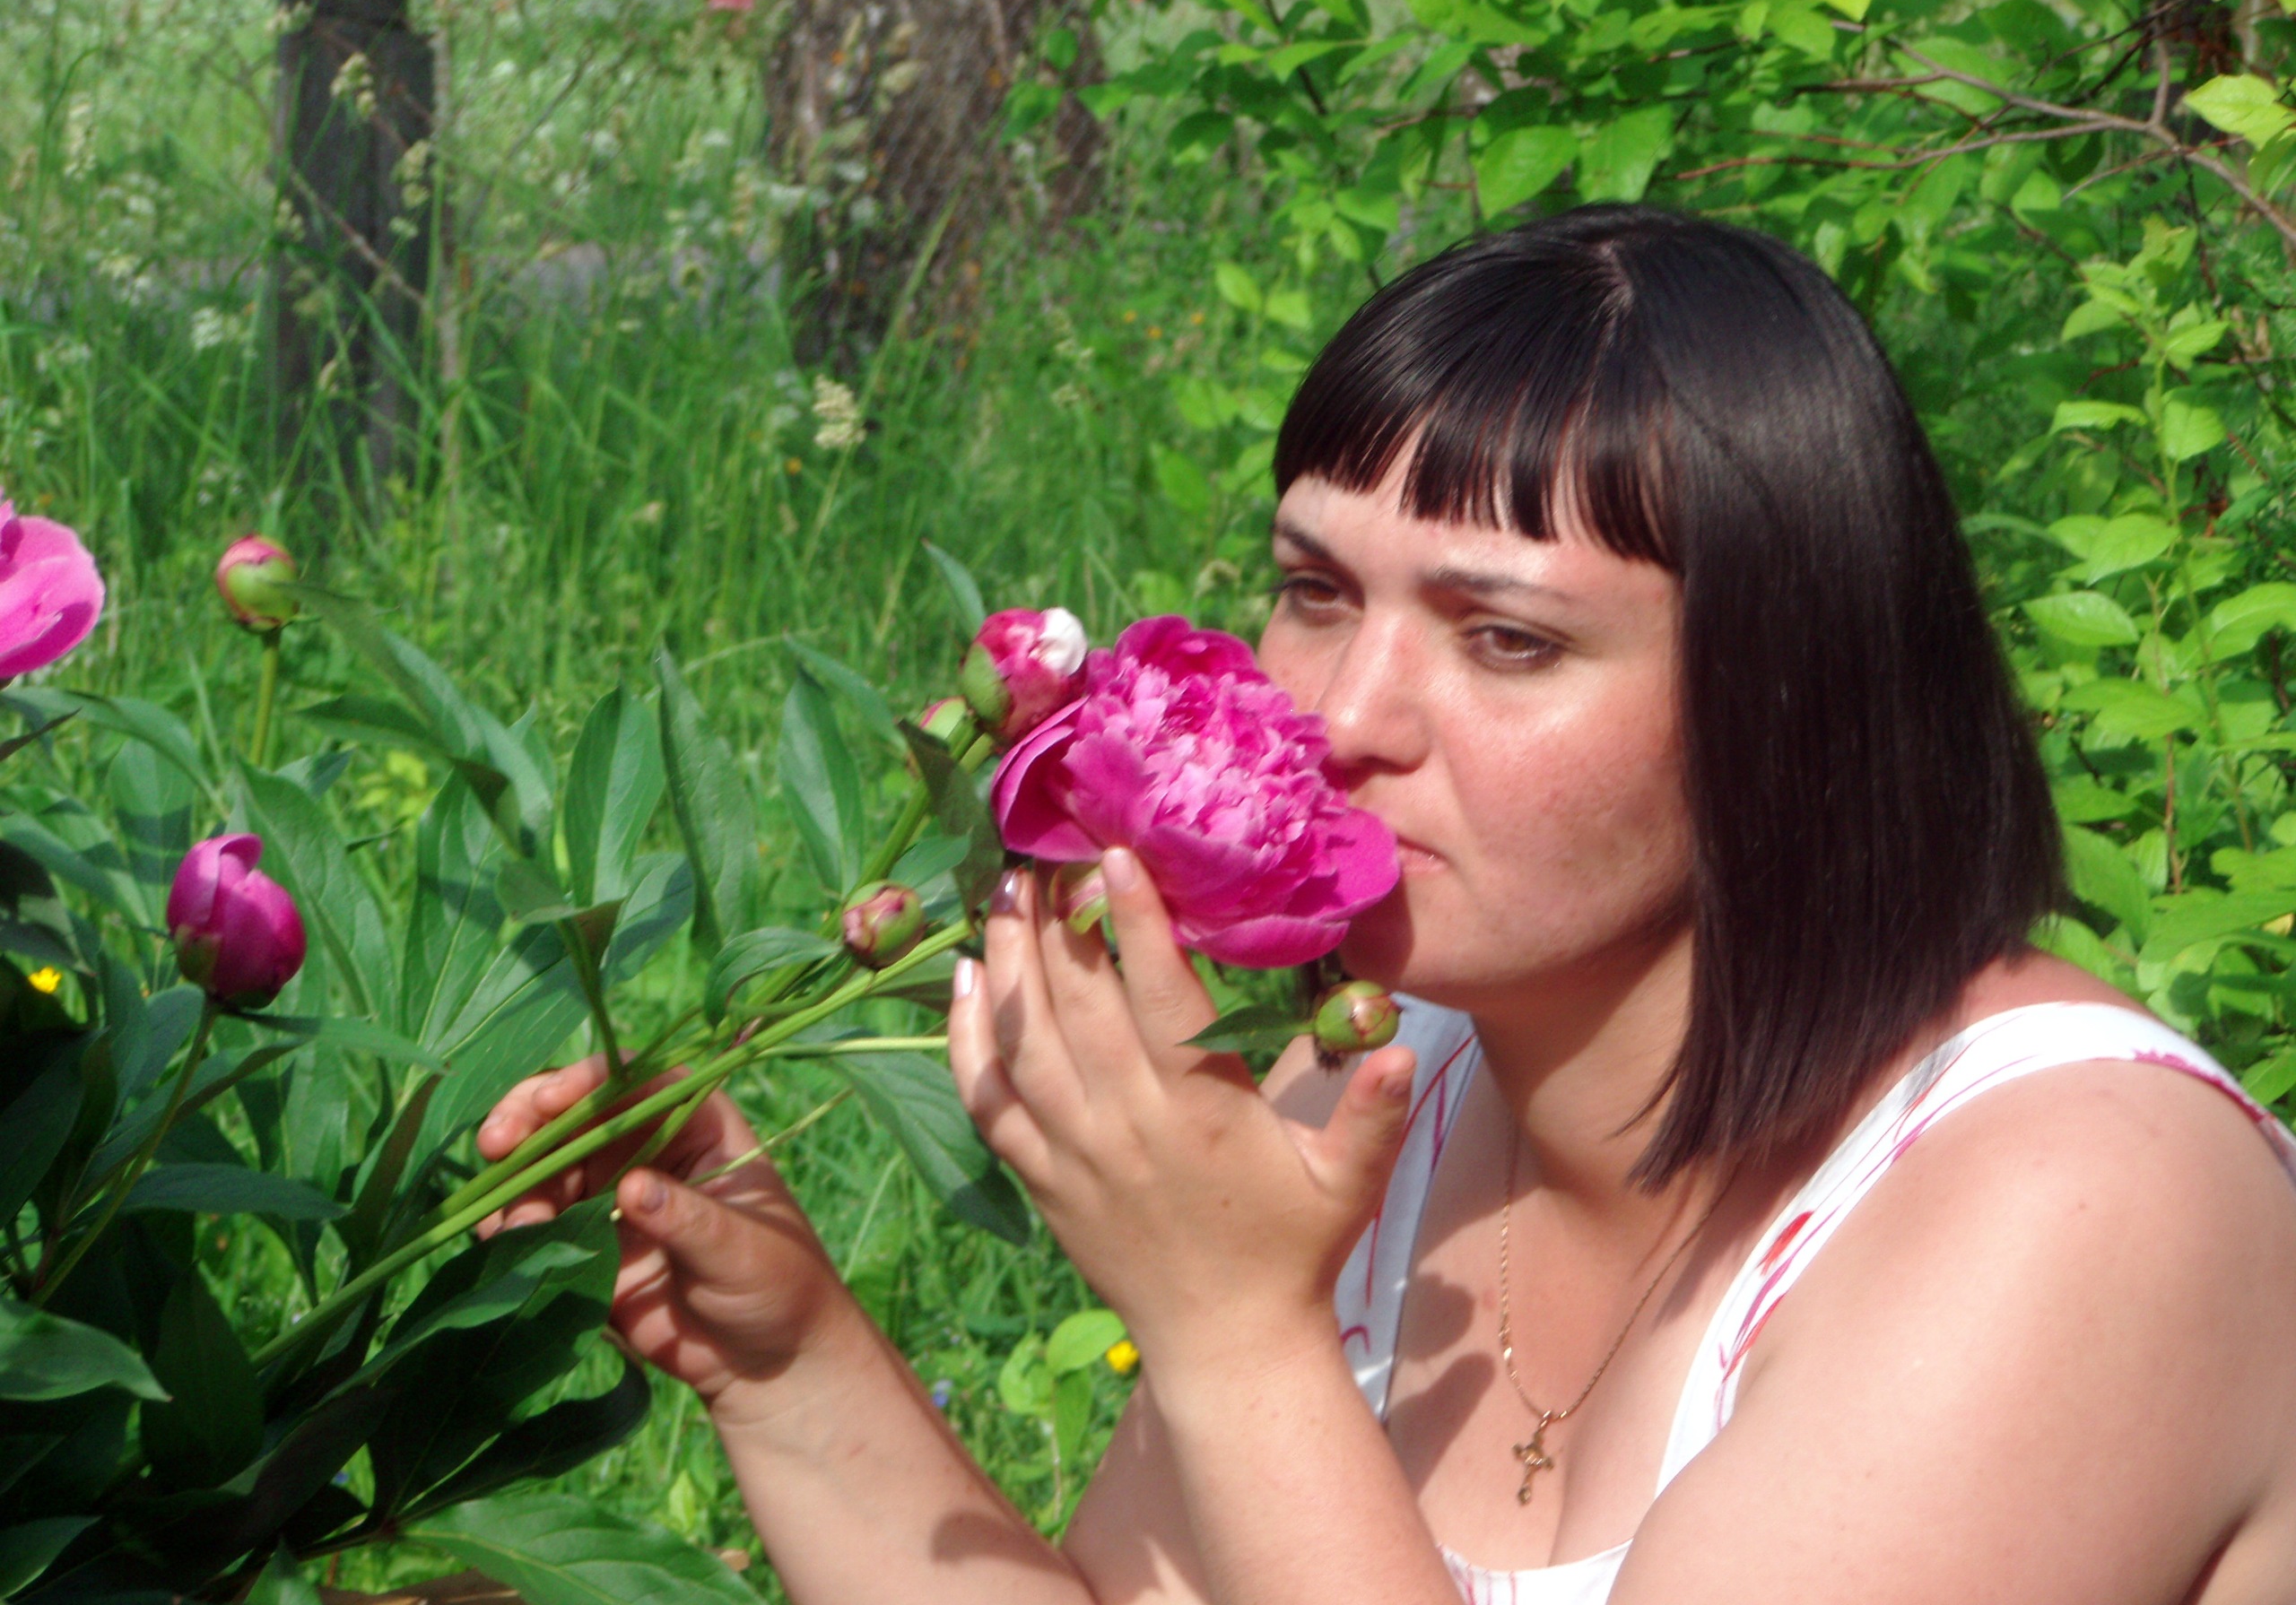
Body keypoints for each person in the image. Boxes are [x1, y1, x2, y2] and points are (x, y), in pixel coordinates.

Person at [477, 204, 2296, 1604]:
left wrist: (1235, 1331)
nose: (1343, 718)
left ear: (1789, 698)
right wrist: (786, 1361)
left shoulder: (2072, 1200)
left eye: (1506, 639)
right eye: (1317, 591)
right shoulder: (1385, 1083)